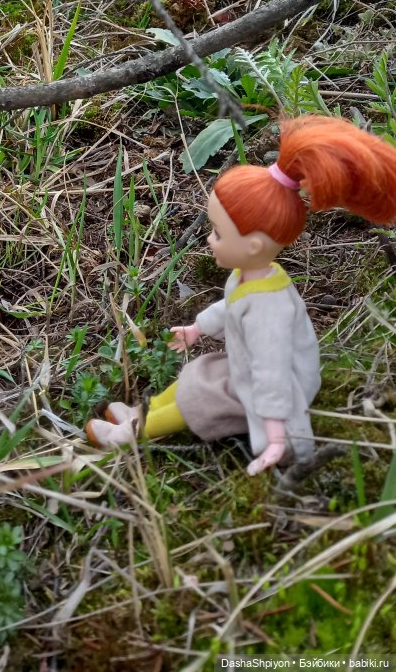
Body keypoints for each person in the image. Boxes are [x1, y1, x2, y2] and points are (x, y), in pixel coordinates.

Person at [87, 115, 396, 475]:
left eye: (217, 233)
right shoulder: (253, 276)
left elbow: (272, 373)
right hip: (245, 366)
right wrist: (198, 329)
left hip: (280, 386)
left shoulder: (269, 311)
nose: (209, 240)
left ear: (251, 245)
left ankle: (130, 435)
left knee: (197, 399)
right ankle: (143, 411)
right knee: (197, 374)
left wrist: (278, 436)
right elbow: (230, 306)